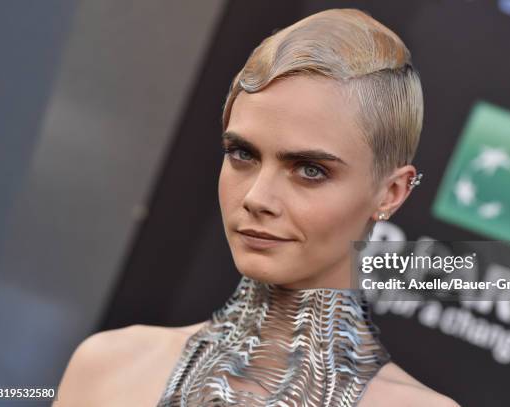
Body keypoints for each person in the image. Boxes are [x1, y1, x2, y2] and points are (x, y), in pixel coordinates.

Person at [54, 8, 460, 406]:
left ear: (391, 192)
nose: (256, 199)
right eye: (242, 154)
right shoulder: (109, 368)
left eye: (310, 170)